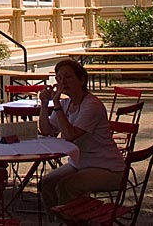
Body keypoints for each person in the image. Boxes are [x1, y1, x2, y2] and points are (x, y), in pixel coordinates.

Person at [38, 58, 125, 218]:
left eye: (68, 77)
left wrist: (56, 105)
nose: (63, 82)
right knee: (47, 182)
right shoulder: (67, 104)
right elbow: (46, 131)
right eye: (59, 78)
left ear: (81, 79)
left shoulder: (91, 105)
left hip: (107, 168)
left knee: (67, 186)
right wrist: (44, 104)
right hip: (79, 163)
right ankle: (56, 221)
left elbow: (71, 135)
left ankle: (72, 221)